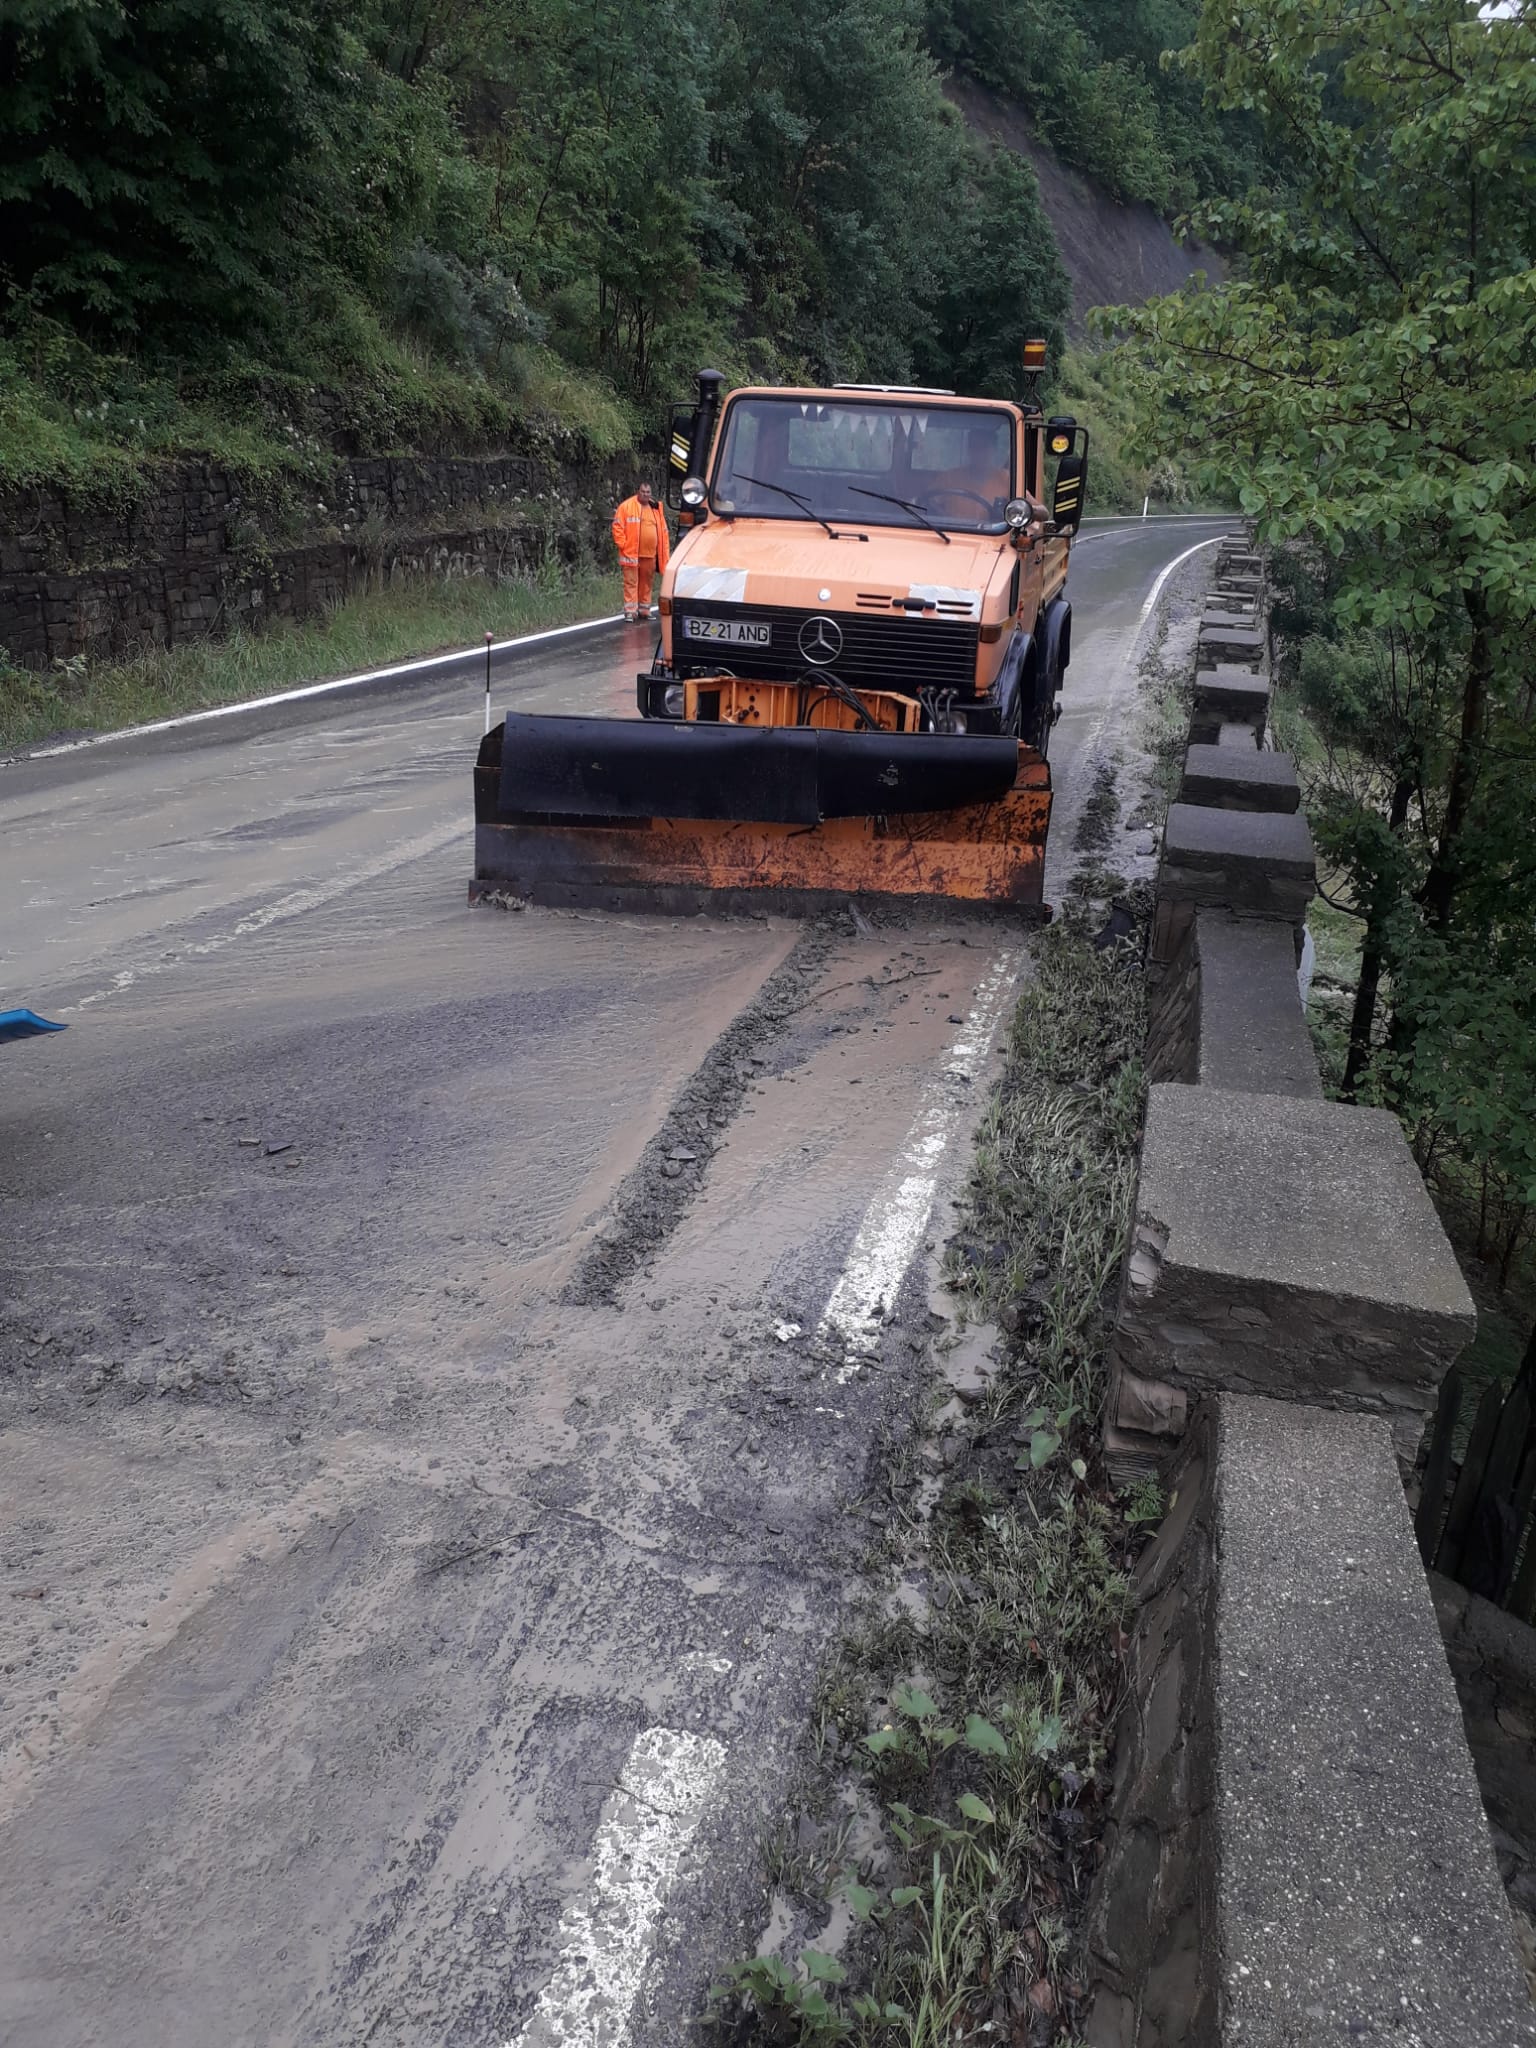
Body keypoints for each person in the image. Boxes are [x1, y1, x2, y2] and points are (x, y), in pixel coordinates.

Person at [611, 482, 670, 622]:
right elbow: (617, 526)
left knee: (647, 583)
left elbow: (663, 531)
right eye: (643, 491)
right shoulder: (626, 506)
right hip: (631, 554)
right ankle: (630, 612)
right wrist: (623, 544)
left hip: (650, 554)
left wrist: (662, 552)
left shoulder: (655, 508)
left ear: (651, 493)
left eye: (648, 492)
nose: (645, 494)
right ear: (638, 491)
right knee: (631, 582)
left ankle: (644, 609)